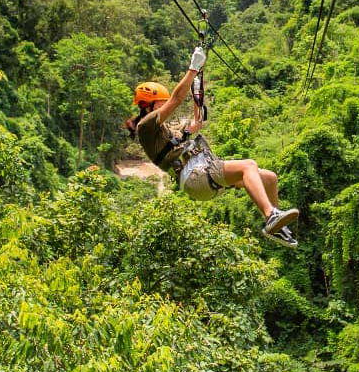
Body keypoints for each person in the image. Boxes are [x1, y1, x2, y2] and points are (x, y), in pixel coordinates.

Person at [125, 47, 300, 247]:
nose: (163, 107)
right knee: (248, 165)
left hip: (201, 174)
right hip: (195, 176)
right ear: (147, 105)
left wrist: (197, 88)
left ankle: (277, 226)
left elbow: (197, 123)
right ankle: (270, 216)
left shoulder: (168, 131)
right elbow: (176, 99)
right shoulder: (146, 127)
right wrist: (193, 68)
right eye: (159, 103)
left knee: (269, 178)